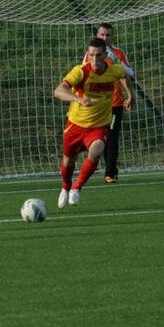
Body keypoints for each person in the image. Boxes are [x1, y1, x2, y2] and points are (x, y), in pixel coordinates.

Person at [54, 37, 134, 208]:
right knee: (68, 162)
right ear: (87, 55)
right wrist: (78, 99)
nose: (95, 59)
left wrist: (130, 95)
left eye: (98, 55)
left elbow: (124, 76)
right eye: (91, 55)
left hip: (99, 126)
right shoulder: (81, 72)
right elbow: (59, 91)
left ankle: (76, 188)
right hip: (76, 124)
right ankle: (65, 187)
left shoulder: (114, 70)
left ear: (105, 55)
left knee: (97, 150)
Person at [85, 23, 135, 183]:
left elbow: (129, 73)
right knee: (100, 138)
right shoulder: (90, 55)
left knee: (112, 136)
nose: (105, 38)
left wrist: (130, 95)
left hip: (114, 103)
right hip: (96, 104)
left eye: (108, 35)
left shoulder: (118, 53)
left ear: (111, 37)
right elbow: (83, 74)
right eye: (102, 35)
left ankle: (110, 173)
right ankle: (108, 169)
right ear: (97, 36)